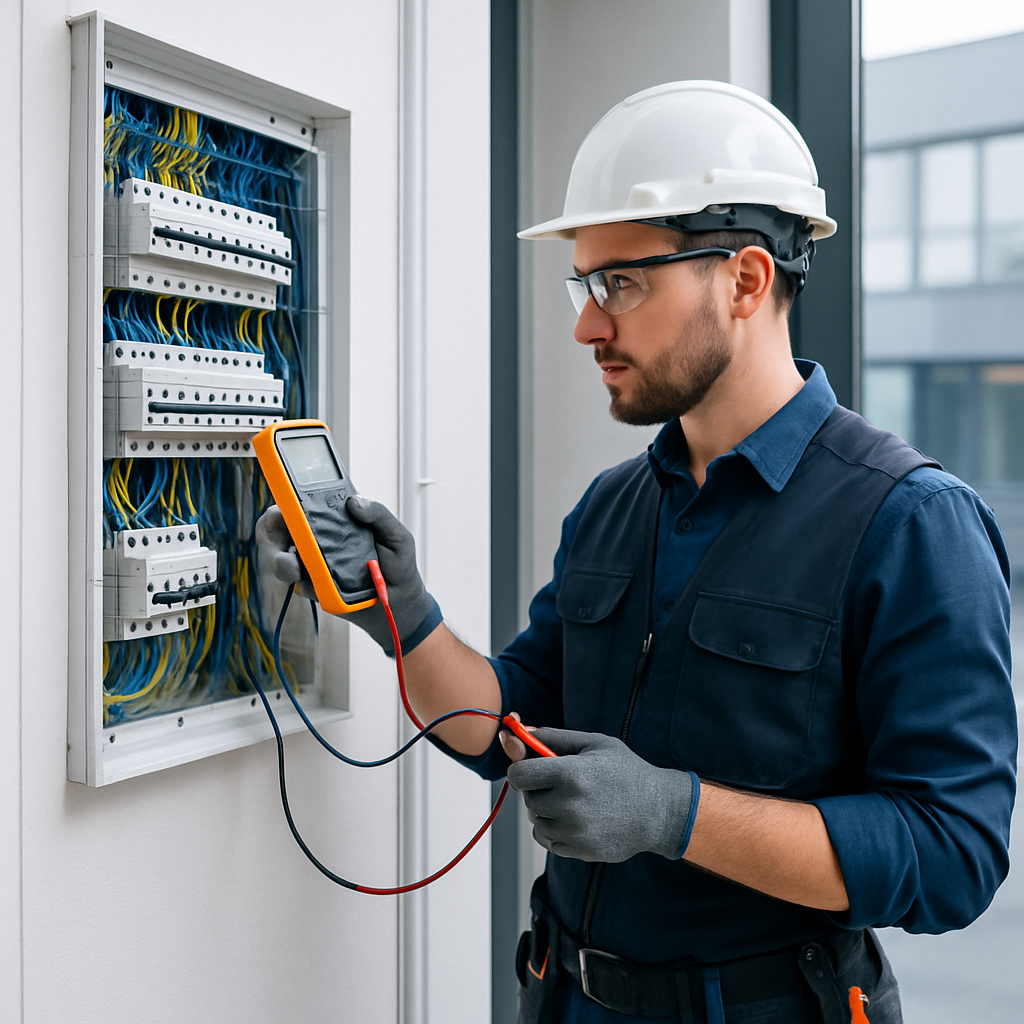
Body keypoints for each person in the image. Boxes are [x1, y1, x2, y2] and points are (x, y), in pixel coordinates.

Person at [256, 82, 1017, 1024]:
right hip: (564, 997)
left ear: (744, 279)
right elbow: (506, 726)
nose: (586, 324)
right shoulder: (617, 504)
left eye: (620, 282)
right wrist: (399, 615)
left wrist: (674, 813)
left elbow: (952, 854)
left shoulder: (912, 523)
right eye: (583, 284)